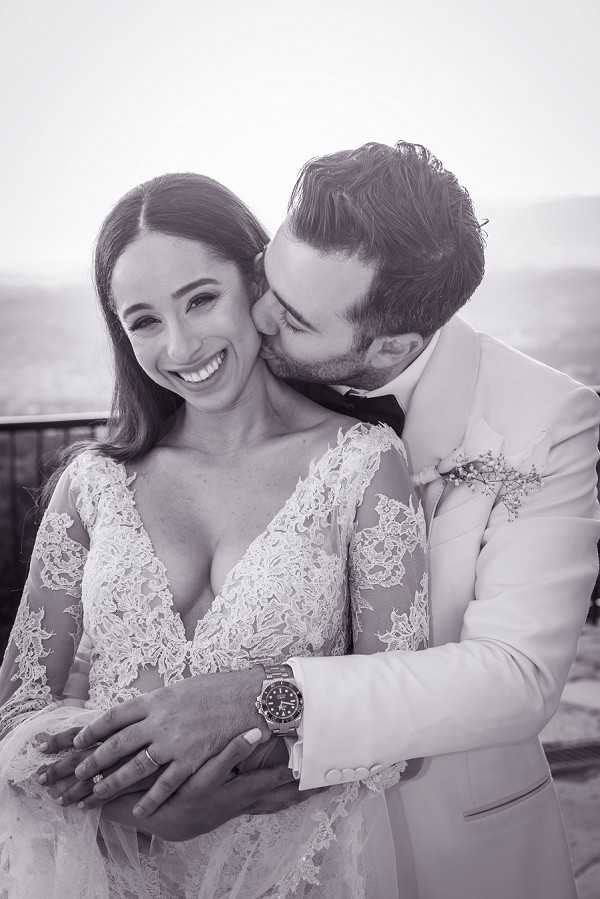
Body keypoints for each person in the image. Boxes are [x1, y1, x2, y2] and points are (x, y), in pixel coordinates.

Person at [42, 142, 600, 899]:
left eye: (293, 315)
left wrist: (260, 695)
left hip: (443, 851)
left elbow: (517, 678)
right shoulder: (228, 364)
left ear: (391, 346)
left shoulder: (539, 422)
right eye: (268, 276)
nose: (259, 315)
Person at [0, 172, 428, 897]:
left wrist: (240, 767)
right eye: (144, 320)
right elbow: (16, 711)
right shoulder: (93, 484)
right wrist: (130, 804)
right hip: (103, 868)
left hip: (291, 872)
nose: (180, 344)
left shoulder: (362, 463)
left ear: (256, 282)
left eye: (201, 299)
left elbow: (401, 722)